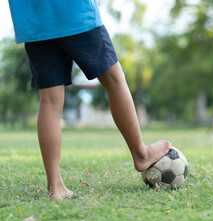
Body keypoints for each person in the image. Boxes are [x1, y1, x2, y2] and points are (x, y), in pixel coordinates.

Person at [7, 0, 172, 200]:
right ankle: (141, 154)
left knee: (49, 101)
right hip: (73, 11)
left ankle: (55, 187)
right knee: (114, 79)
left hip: (34, 21)